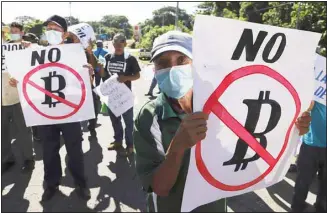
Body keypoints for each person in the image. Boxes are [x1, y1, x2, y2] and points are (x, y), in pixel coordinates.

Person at [133, 31, 313, 212]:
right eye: (163, 63)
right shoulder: (149, 116)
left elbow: (255, 141)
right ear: (154, 70)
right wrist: (177, 148)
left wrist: (291, 128)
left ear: (196, 64)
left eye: (181, 60)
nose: (173, 69)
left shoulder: (223, 104)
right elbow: (159, 188)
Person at [9, 15, 92, 201]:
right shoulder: (36, 54)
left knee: (75, 150)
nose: (51, 33)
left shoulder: (76, 53)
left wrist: (89, 74)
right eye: (49, 29)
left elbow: (86, 82)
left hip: (71, 112)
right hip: (46, 113)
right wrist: (18, 81)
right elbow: (28, 78)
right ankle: (51, 184)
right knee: (49, 150)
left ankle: (81, 183)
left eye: (56, 29)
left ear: (64, 34)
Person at [2, 22, 35, 174]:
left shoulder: (26, 48)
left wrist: (28, 46)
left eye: (17, 31)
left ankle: (29, 158)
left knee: (23, 130)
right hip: (3, 98)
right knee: (3, 132)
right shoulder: (5, 47)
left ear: (22, 33)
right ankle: (7, 159)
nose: (13, 33)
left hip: (19, 97)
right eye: (11, 31)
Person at [105, 33, 141, 156]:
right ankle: (118, 141)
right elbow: (105, 74)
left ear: (125, 44)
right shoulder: (108, 57)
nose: (118, 46)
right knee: (115, 121)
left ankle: (130, 145)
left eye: (121, 44)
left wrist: (126, 78)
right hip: (112, 96)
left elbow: (137, 75)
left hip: (126, 97)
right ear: (113, 44)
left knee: (128, 123)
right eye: (116, 44)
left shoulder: (130, 59)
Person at [67, 24, 105, 139]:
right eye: (74, 36)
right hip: (72, 86)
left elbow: (95, 65)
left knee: (95, 104)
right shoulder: (65, 48)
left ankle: (92, 126)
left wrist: (89, 52)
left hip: (88, 85)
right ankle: (76, 132)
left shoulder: (86, 51)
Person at [291, 99, 326, 212]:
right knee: (303, 180)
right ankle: (298, 207)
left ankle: (320, 206)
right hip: (310, 144)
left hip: (311, 145)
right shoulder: (315, 85)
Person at [21, 33, 42, 142]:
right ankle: (36, 133)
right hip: (30, 87)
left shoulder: (40, 50)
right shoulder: (19, 53)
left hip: (39, 86)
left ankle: (38, 133)